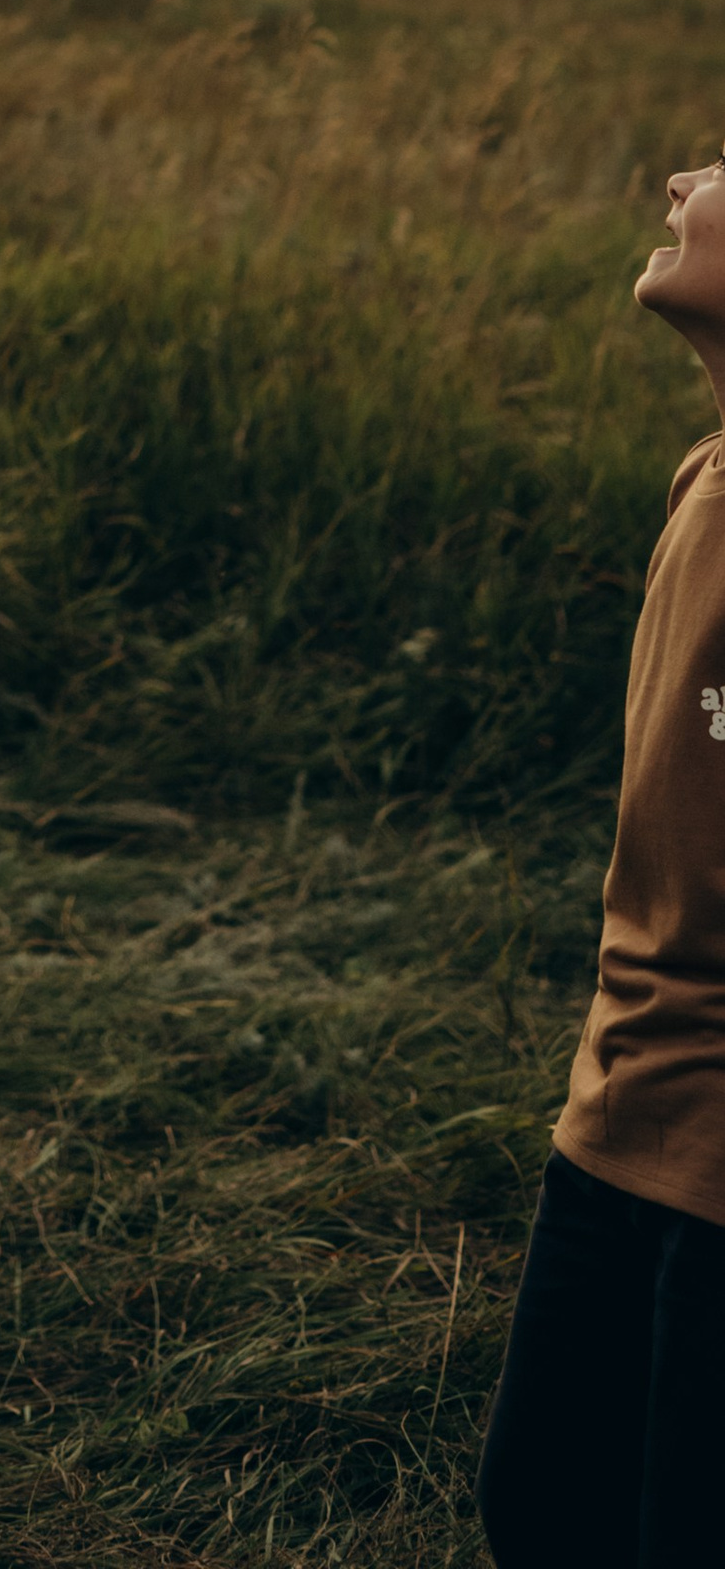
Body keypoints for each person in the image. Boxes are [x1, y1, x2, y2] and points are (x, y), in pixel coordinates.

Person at [476, 147, 725, 1569]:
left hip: (715, 1176)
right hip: (617, 1119)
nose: (685, 172)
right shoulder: (706, 477)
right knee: (542, 1509)